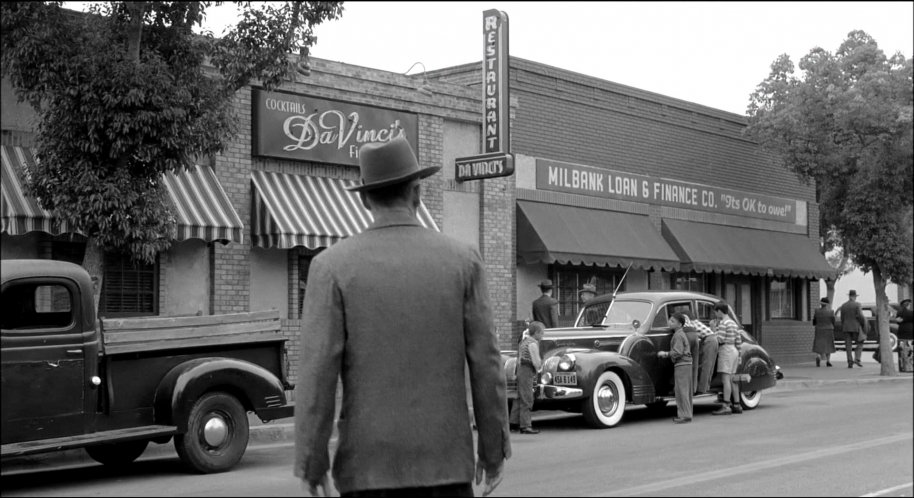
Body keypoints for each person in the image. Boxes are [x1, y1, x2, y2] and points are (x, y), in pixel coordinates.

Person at [294, 135, 510, 498]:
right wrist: (492, 450)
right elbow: (487, 366)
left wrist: (312, 460)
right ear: (417, 192)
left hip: (367, 471)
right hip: (446, 469)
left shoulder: (331, 267)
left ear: (364, 199)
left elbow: (317, 375)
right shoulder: (463, 261)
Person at [657, 312, 693, 423]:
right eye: (670, 320)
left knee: (681, 391)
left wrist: (665, 354)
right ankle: (687, 413)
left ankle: (684, 415)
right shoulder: (680, 334)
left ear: (680, 324)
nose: (669, 322)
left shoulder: (678, 335)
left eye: (672, 321)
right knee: (685, 390)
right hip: (686, 364)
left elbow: (678, 352)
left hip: (681, 364)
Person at [510, 321, 545, 434]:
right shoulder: (533, 344)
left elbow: (519, 358)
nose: (542, 336)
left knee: (519, 397)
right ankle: (525, 426)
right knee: (527, 398)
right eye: (542, 333)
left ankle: (513, 423)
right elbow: (536, 362)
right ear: (537, 333)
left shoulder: (524, 342)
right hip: (527, 370)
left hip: (521, 370)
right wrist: (540, 365)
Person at [711, 302, 743, 416]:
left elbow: (719, 339)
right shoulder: (733, 323)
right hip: (734, 350)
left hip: (726, 350)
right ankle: (737, 405)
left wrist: (713, 329)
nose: (715, 314)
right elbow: (739, 340)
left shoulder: (723, 323)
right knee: (733, 379)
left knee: (726, 380)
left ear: (719, 311)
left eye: (715, 311)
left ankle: (726, 405)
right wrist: (739, 356)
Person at [688, 315, 719, 395]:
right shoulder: (694, 322)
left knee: (706, 365)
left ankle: (702, 389)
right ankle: (703, 387)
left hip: (709, 340)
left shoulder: (689, 323)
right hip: (709, 339)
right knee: (707, 366)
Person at [838, 289, 867, 368]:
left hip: (846, 327)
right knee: (860, 342)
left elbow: (842, 318)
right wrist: (862, 323)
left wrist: (844, 325)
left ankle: (850, 361)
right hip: (855, 327)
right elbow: (860, 316)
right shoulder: (857, 305)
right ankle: (857, 359)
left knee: (848, 345)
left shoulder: (843, 305)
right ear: (854, 296)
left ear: (849, 296)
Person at [812, 297, 836, 367]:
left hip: (819, 329)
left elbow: (814, 322)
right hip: (829, 329)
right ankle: (828, 361)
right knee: (829, 345)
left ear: (821, 304)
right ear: (827, 304)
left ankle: (819, 356)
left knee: (819, 344)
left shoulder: (817, 311)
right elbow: (833, 321)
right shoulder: (831, 312)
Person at [895, 299, 913, 372]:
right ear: (908, 305)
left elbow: (898, 321)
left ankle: (902, 367)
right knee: (910, 350)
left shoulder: (899, 312)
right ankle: (910, 367)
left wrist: (901, 320)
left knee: (902, 349)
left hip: (901, 331)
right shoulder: (911, 313)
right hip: (910, 331)